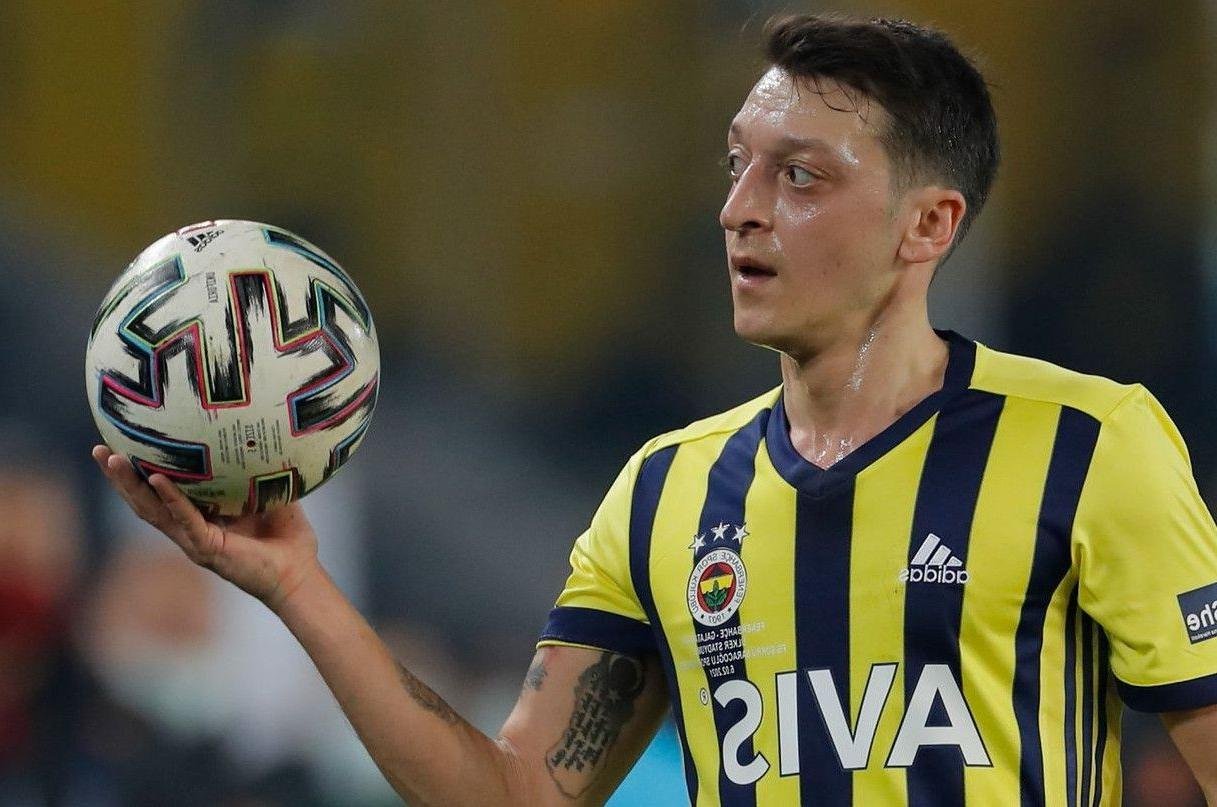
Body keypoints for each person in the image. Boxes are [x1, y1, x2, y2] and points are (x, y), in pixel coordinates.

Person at [92, 14, 1217, 806]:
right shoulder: (666, 493)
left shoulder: (1086, 446)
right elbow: (515, 796)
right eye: (736, 166)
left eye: (799, 176)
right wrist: (299, 586)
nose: (739, 210)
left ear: (928, 224)